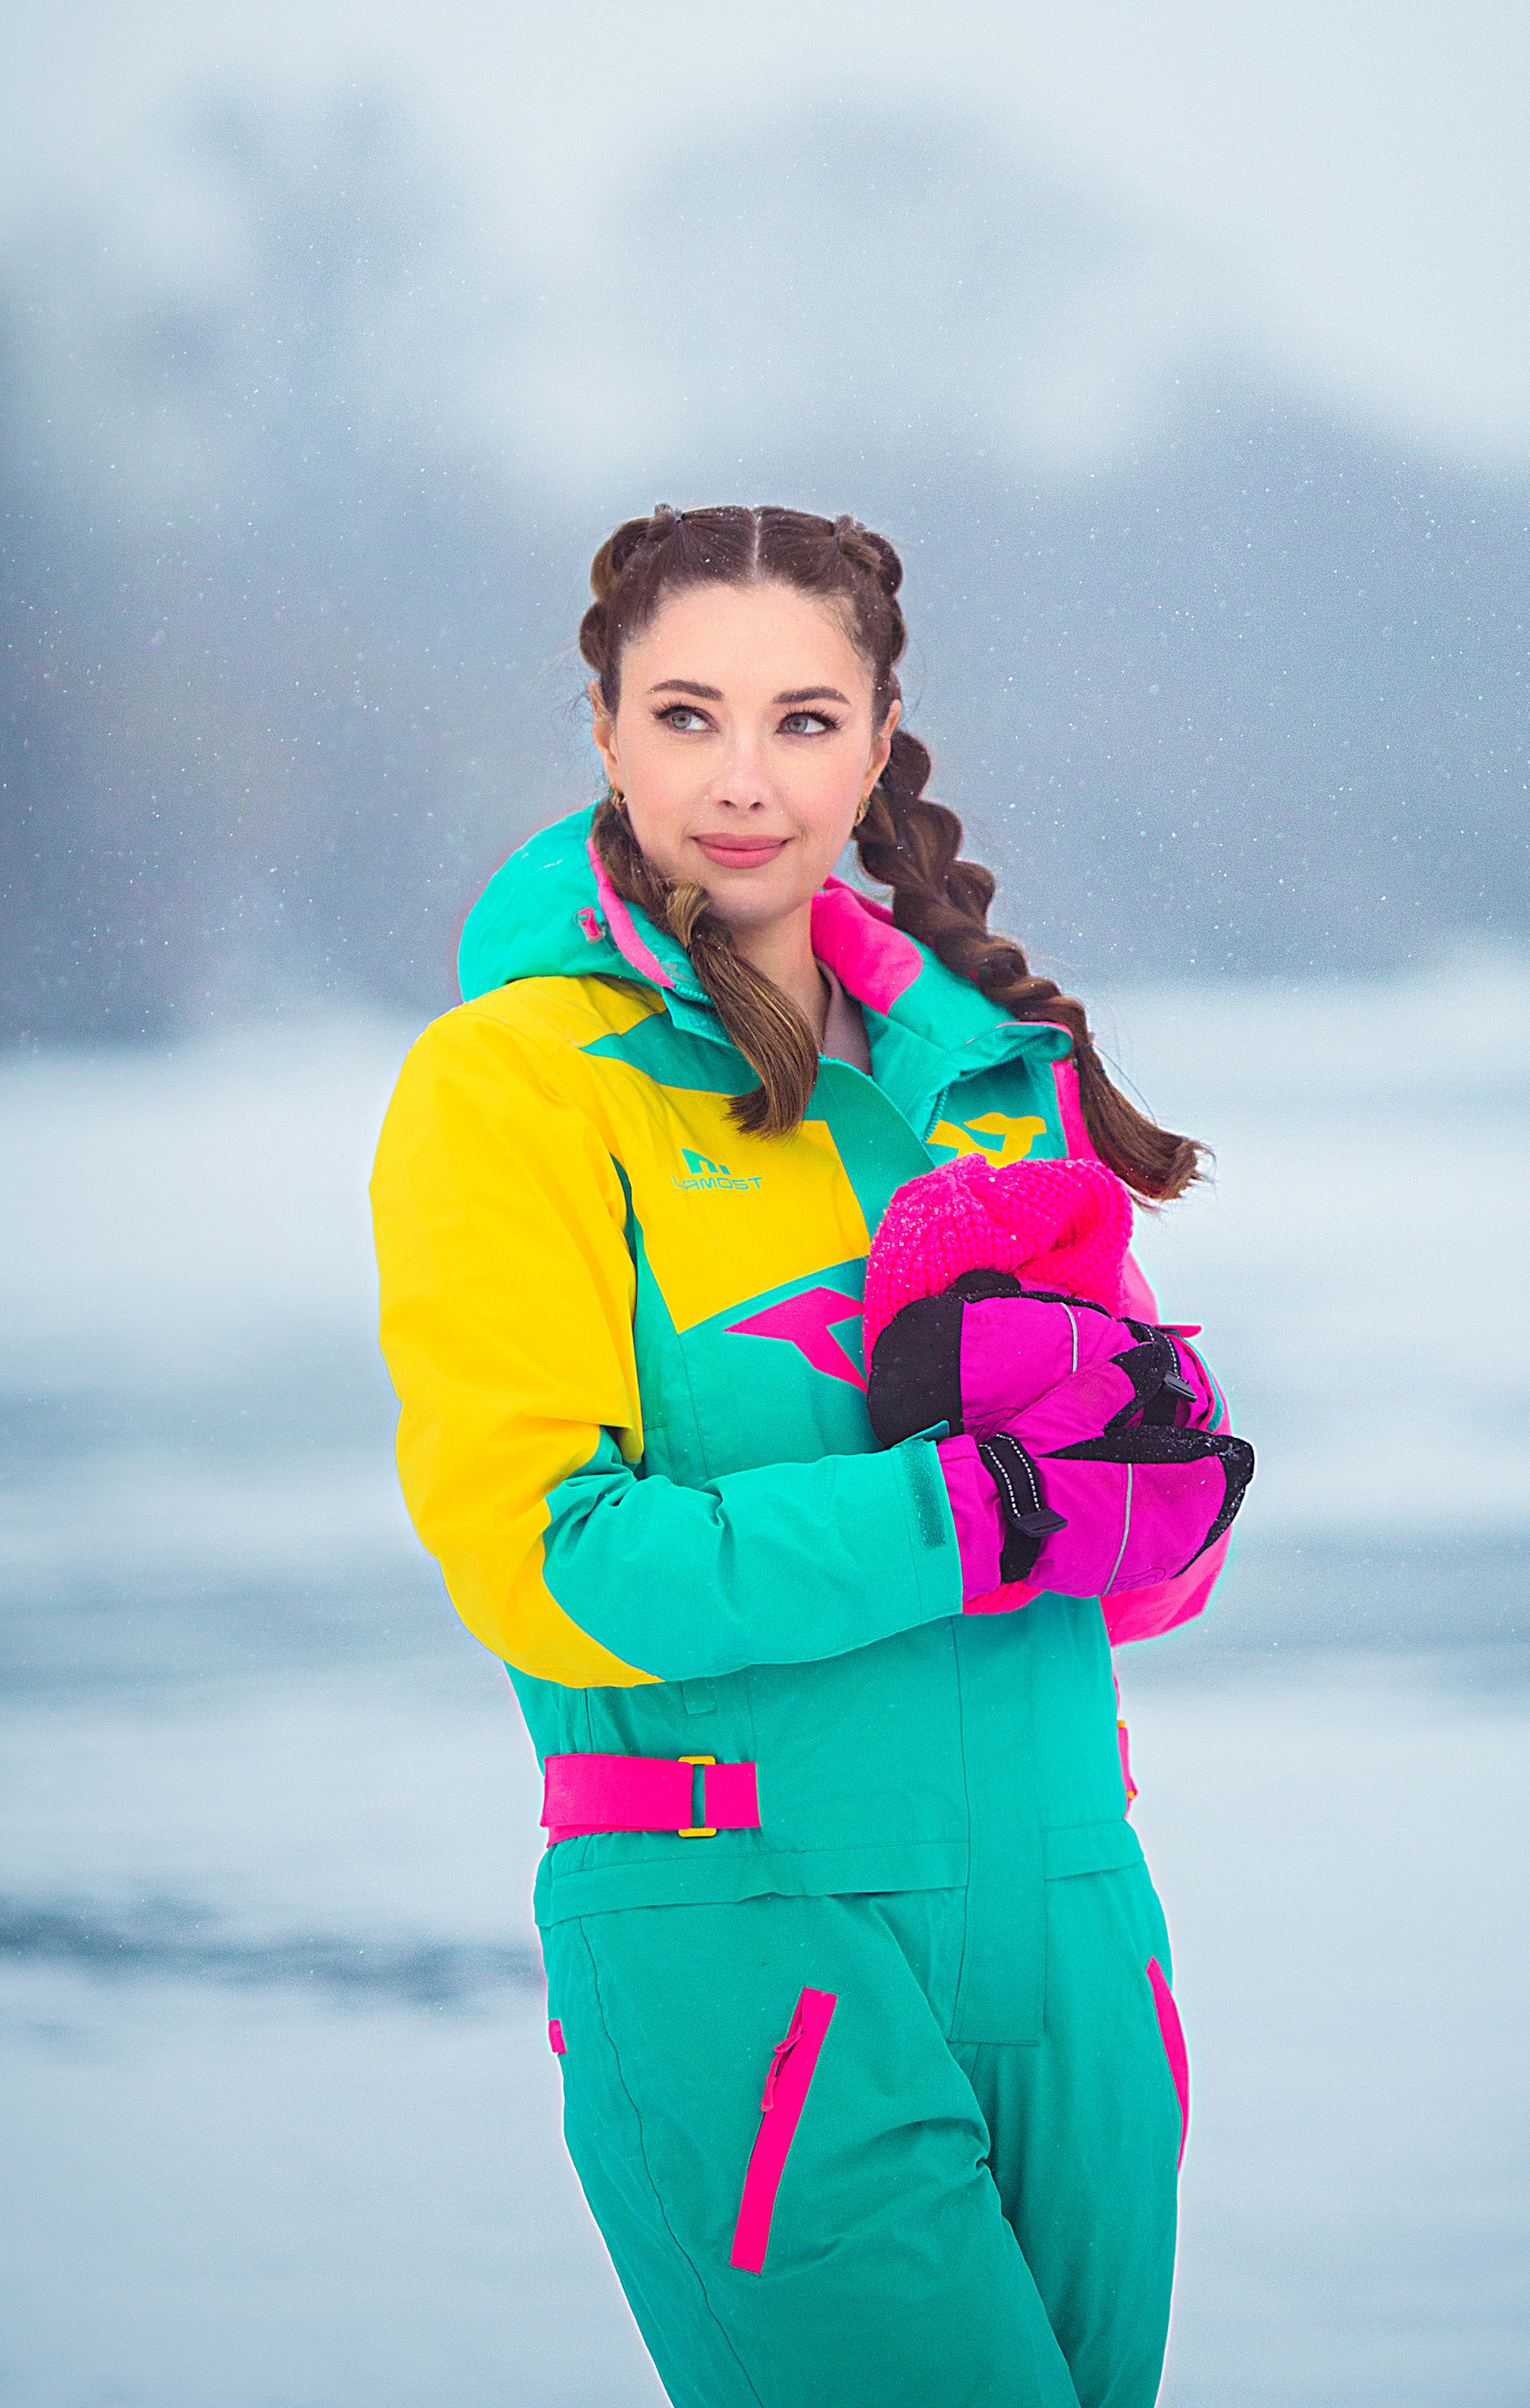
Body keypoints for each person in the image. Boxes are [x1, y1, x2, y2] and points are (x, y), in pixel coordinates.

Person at [371, 503, 1252, 2408]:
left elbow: (1125, 1568)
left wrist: (1158, 1494)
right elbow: (553, 1563)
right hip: (741, 1932)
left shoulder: (984, 1079)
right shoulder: (515, 1088)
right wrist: (970, 1505)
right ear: (603, 733)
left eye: (800, 719)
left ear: (873, 740)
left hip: (1072, 1922)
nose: (743, 778)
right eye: (687, 716)